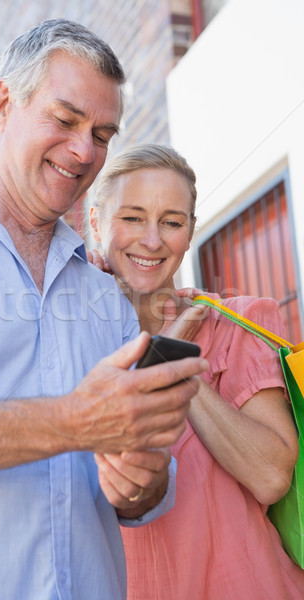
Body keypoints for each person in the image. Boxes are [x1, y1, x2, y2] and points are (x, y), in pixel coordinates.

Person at [0, 22, 207, 600]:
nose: (84, 151)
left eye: (102, 133)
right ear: (2, 103)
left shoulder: (105, 297)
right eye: (65, 120)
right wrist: (72, 421)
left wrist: (140, 482)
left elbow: (149, 491)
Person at [89, 142, 304, 599]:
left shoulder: (235, 324)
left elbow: (270, 476)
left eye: (171, 222)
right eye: (131, 217)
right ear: (95, 223)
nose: (151, 240)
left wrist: (173, 361)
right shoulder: (77, 342)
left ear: (189, 233)